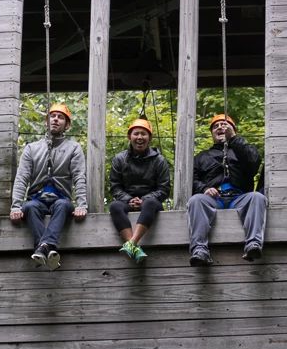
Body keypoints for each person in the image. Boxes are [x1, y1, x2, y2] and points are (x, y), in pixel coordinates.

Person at [10, 103, 87, 270]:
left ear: (66, 124)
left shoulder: (73, 148)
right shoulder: (32, 148)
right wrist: (15, 206)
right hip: (36, 199)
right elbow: (22, 178)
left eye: (61, 117)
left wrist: (82, 205)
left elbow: (79, 177)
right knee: (29, 207)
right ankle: (49, 247)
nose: (56, 119)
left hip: (61, 199)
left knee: (62, 205)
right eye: (53, 116)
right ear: (47, 121)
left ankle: (41, 247)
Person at [187, 113, 267, 266]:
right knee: (195, 200)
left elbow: (254, 162)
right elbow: (191, 179)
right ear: (212, 133)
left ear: (232, 129)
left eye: (224, 125)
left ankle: (253, 244)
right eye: (216, 126)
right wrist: (204, 189)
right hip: (213, 199)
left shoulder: (242, 150)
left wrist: (234, 139)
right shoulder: (202, 157)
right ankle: (199, 249)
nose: (220, 128)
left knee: (257, 198)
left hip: (239, 197)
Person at [109, 118, 170, 263]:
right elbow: (115, 186)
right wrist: (128, 199)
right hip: (127, 200)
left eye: (144, 134)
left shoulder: (159, 160)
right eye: (136, 134)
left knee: (149, 203)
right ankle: (134, 248)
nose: (140, 137)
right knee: (115, 206)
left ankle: (132, 243)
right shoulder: (119, 159)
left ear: (150, 138)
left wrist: (144, 199)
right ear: (130, 137)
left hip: (151, 202)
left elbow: (164, 188)